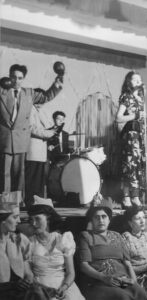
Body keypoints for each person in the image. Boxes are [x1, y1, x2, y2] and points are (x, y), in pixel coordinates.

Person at [0, 64, 63, 194]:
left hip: (21, 144)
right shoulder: (1, 92)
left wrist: (56, 84)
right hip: (3, 142)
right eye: (13, 77)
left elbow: (46, 96)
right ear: (9, 76)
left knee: (18, 179)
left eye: (20, 78)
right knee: (3, 178)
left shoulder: (29, 93)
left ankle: (14, 210)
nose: (16, 81)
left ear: (23, 79)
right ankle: (3, 209)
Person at [78, 203, 147, 300]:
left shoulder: (117, 236)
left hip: (122, 280)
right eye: (96, 217)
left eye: (104, 217)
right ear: (91, 220)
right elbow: (84, 265)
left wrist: (134, 281)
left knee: (140, 292)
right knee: (122, 296)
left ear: (109, 219)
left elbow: (127, 264)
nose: (101, 220)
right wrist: (103, 278)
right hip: (98, 282)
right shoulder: (86, 236)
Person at [115, 70, 147, 208]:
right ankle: (126, 196)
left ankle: (135, 196)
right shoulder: (126, 97)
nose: (138, 82)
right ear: (129, 82)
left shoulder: (141, 100)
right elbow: (118, 118)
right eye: (135, 80)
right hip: (131, 136)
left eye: (139, 80)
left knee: (140, 165)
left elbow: (141, 120)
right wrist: (134, 116)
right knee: (130, 165)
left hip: (141, 136)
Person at [27, 195, 85, 300]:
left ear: (49, 219)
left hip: (64, 284)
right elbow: (28, 274)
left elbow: (70, 272)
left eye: (38, 219)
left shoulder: (64, 239)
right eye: (31, 220)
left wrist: (64, 287)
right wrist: (40, 289)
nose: (34, 223)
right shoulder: (29, 243)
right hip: (40, 287)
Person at [0, 191, 33, 300]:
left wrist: (27, 281)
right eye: (15, 217)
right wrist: (12, 286)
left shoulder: (19, 240)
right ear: (2, 220)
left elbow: (28, 273)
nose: (19, 221)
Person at [25, 104, 56, 207]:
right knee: (32, 177)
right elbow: (31, 128)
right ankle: (30, 201)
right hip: (33, 149)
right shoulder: (29, 109)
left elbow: (48, 125)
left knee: (39, 179)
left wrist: (52, 131)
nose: (41, 104)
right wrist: (48, 133)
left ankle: (38, 201)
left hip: (41, 151)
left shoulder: (41, 111)